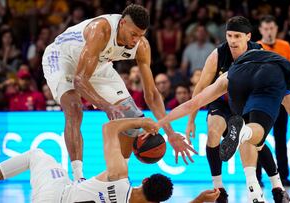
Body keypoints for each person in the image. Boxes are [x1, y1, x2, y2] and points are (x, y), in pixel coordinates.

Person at [156, 49, 290, 202]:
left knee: (251, 137)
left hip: (238, 77)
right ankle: (245, 136)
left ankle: (253, 190)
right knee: (255, 133)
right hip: (267, 80)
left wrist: (159, 123)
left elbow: (193, 103)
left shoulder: (229, 69)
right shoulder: (283, 86)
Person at [42, 4, 196, 180]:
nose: (136, 40)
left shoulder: (141, 46)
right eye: (133, 34)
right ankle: (78, 178)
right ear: (122, 23)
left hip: (98, 65)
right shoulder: (101, 30)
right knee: (74, 108)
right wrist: (106, 106)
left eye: (141, 35)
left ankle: (119, 178)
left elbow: (152, 95)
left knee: (131, 118)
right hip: (62, 58)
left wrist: (170, 133)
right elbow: (79, 80)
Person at [0, 117, 217, 203]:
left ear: (144, 181)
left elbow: (108, 128)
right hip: (63, 191)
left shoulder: (119, 177)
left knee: (37, 154)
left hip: (56, 196)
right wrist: (197, 200)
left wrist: (139, 122)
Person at [185, 16, 289, 202]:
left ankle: (277, 187)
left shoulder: (259, 53)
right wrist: (191, 120)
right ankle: (219, 189)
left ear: (248, 37)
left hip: (246, 102)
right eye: (229, 35)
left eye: (237, 36)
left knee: (257, 142)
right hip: (222, 102)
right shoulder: (217, 55)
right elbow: (200, 88)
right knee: (213, 131)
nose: (232, 40)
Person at [257, 14, 290, 187]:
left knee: (280, 138)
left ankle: (283, 176)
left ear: (276, 29)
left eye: (272, 28)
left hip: (282, 99)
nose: (269, 31)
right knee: (257, 138)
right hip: (261, 100)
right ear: (261, 30)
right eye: (266, 28)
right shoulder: (256, 47)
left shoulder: (285, 46)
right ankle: (257, 177)